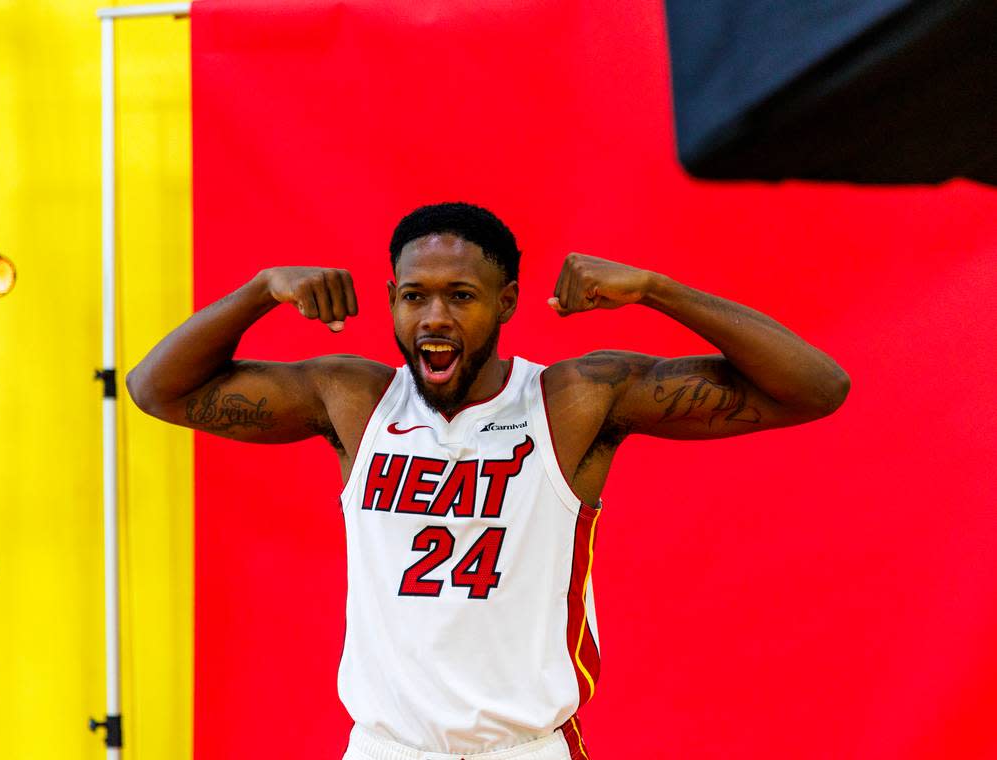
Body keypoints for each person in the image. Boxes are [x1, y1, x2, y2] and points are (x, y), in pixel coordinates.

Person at [126, 201, 850, 760]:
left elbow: (815, 388)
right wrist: (259, 291)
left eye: (461, 296)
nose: (434, 316)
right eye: (414, 297)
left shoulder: (574, 399)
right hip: (386, 746)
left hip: (522, 748)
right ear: (392, 302)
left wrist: (658, 289)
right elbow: (157, 389)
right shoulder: (353, 400)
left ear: (504, 304)